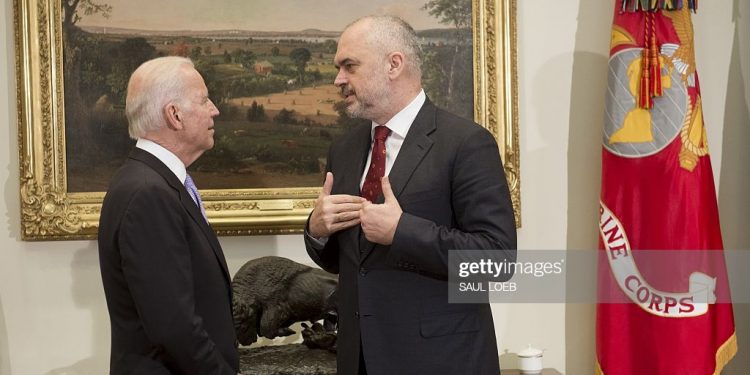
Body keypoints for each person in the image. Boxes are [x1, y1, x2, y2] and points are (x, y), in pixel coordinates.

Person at [304, 16, 517, 375]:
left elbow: (496, 261)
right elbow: (355, 263)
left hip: (442, 361)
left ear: (394, 64)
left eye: (349, 66)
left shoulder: (465, 143)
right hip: (358, 360)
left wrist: (402, 231)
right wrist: (317, 230)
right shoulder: (344, 148)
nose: (338, 79)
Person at [98, 56, 241, 375]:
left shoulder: (149, 181)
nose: (215, 109)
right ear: (174, 115)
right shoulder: (148, 193)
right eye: (204, 100)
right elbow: (175, 328)